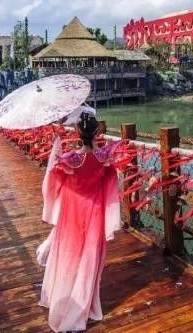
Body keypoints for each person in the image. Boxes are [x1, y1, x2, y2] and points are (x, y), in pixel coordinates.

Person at [37, 112, 122, 332]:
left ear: (77, 132)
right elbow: (111, 181)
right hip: (95, 211)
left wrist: (56, 148)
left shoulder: (69, 159)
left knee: (68, 255)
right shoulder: (104, 157)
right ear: (97, 132)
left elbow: (52, 183)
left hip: (71, 213)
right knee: (89, 259)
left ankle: (62, 297)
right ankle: (84, 303)